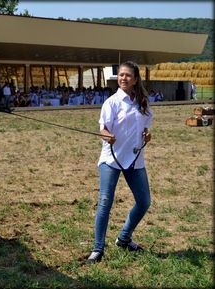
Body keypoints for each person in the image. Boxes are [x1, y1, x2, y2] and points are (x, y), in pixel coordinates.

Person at [87, 61, 153, 264]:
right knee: (105, 202)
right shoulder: (112, 103)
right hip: (111, 159)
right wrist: (107, 136)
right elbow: (103, 129)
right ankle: (98, 249)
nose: (123, 78)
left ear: (135, 79)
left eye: (127, 75)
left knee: (144, 202)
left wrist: (146, 136)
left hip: (134, 159)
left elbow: (145, 128)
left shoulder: (142, 102)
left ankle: (124, 238)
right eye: (121, 75)